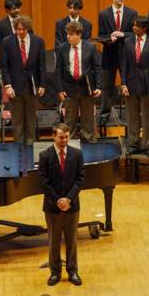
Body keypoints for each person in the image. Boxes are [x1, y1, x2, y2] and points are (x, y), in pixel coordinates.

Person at [39, 123, 85, 287]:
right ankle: (55, 272)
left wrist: (69, 199)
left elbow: (80, 179)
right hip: (53, 206)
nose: (64, 140)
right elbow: (44, 182)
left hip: (72, 205)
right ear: (54, 136)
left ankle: (72, 271)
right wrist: (58, 200)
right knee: (54, 240)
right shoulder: (45, 155)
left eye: (66, 137)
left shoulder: (77, 154)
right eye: (61, 137)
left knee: (72, 240)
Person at [0, 16, 46, 145]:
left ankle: (31, 146)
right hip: (14, 87)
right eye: (18, 29)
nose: (20, 32)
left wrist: (42, 84)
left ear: (28, 28)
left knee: (31, 119)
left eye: (23, 29)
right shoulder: (7, 42)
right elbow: (4, 66)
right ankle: (19, 147)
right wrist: (8, 86)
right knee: (17, 121)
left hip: (32, 87)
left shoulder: (38, 41)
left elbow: (41, 65)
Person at [120, 16, 149, 157]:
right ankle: (133, 144)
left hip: (148, 85)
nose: (133, 28)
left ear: (144, 28)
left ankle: (148, 145)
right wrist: (123, 84)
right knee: (132, 117)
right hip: (131, 84)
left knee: (147, 118)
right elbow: (124, 65)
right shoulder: (127, 42)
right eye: (133, 25)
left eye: (136, 26)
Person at [55, 21, 102, 142]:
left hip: (87, 88)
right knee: (70, 120)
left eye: (71, 34)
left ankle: (90, 143)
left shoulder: (90, 47)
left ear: (79, 34)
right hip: (69, 89)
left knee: (88, 120)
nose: (68, 37)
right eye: (67, 34)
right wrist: (60, 89)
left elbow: (97, 68)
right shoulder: (62, 48)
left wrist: (99, 86)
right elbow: (58, 70)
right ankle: (69, 144)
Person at [98, 0, 138, 123]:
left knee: (128, 85)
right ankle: (104, 116)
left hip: (127, 55)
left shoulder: (132, 13)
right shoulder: (104, 14)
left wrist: (122, 34)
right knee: (107, 86)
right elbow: (101, 36)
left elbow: (135, 34)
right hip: (109, 54)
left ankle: (131, 115)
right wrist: (109, 38)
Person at [0, 0, 28, 64]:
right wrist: (1, 64)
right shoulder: (0, 25)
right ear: (7, 10)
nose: (17, 10)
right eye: (14, 8)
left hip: (25, 58)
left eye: (19, 8)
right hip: (9, 61)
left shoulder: (26, 22)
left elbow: (31, 39)